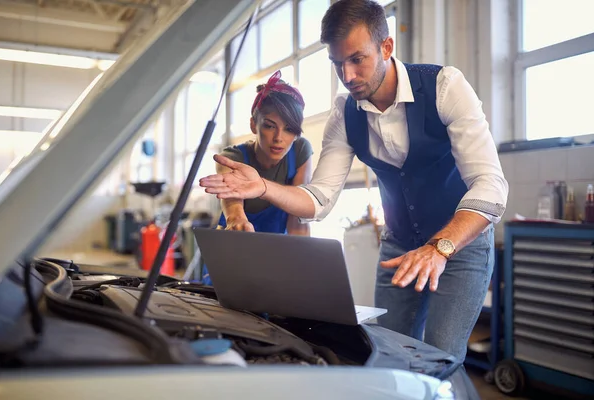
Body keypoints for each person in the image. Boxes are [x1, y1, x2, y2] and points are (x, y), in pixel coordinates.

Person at [199, 0, 508, 363]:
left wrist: (440, 247)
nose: (347, 75)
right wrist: (264, 187)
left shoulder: (444, 87)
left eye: (357, 59)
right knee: (386, 353)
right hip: (400, 247)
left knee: (439, 357)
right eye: (337, 63)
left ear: (386, 47)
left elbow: (491, 185)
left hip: (461, 245)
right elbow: (320, 199)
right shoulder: (345, 113)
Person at [200, 70, 313, 285]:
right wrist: (238, 221)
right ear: (254, 124)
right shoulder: (232, 158)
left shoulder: (300, 152)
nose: (279, 138)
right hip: (232, 253)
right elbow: (235, 214)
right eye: (269, 126)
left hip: (275, 256)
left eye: (289, 129)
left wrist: (302, 271)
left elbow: (298, 222)